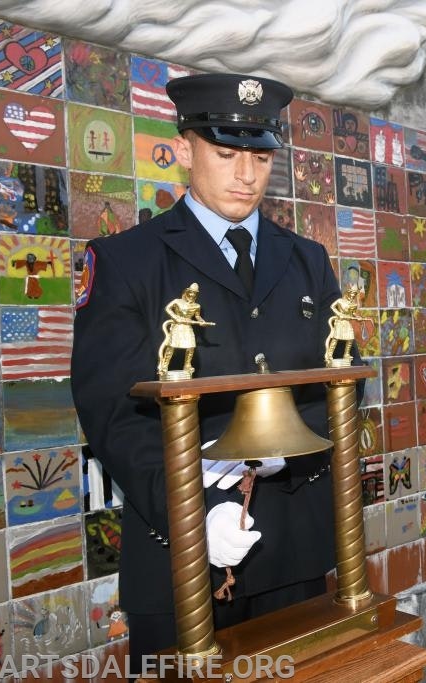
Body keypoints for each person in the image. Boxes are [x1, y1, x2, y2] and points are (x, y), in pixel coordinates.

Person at [71, 73, 354, 661]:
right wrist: (190, 513)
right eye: (225, 153)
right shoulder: (126, 261)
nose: (245, 174)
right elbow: (112, 411)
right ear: (185, 151)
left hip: (293, 549)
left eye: (259, 156)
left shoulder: (306, 260)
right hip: (178, 553)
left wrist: (300, 445)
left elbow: (342, 378)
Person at [157, 282, 215, 377]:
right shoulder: (177, 301)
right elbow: (167, 308)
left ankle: (187, 365)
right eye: (191, 292)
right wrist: (175, 317)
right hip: (177, 326)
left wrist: (202, 322)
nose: (192, 295)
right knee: (171, 345)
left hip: (188, 326)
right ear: (187, 292)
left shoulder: (197, 306)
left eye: (194, 293)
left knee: (191, 346)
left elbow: (197, 316)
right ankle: (164, 365)